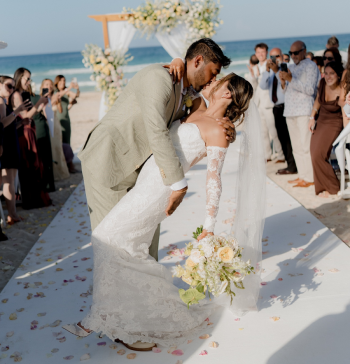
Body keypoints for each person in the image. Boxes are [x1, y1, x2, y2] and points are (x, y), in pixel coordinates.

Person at [64, 72, 264, 351]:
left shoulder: (218, 130)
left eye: (219, 81)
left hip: (159, 192)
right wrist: (179, 63)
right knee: (126, 247)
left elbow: (213, 181)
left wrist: (209, 225)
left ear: (227, 93)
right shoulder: (198, 108)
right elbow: (183, 86)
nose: (212, 82)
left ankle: (105, 319)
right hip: (145, 181)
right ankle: (122, 316)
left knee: (108, 237)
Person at [78, 39, 234, 263]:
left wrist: (225, 124)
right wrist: (178, 184)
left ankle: (144, 295)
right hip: (109, 161)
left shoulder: (188, 91)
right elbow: (157, 130)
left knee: (144, 240)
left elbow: (202, 118)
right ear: (198, 61)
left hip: (144, 173)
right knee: (112, 242)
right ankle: (119, 297)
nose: (215, 79)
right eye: (214, 72)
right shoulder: (159, 78)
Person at [279, 40, 320, 188]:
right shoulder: (290, 67)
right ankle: (302, 176)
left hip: (304, 110)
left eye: (296, 52)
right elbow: (286, 91)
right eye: (291, 53)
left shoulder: (311, 66)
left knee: (305, 145)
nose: (293, 55)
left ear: (304, 50)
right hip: (290, 110)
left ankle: (309, 177)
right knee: (296, 146)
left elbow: (310, 90)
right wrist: (284, 82)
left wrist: (291, 79)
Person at [11, 68, 52, 209]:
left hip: (29, 130)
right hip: (24, 132)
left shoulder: (23, 93)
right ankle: (31, 200)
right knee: (29, 165)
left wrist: (40, 106)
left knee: (34, 165)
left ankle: (35, 198)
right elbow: (26, 115)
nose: (29, 82)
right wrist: (39, 102)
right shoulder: (16, 94)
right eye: (26, 79)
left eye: (30, 79)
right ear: (19, 78)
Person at [309, 62, 345, 197]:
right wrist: (312, 117)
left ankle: (333, 187)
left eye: (332, 73)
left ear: (338, 75)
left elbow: (344, 109)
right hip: (321, 120)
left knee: (320, 154)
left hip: (334, 123)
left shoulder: (342, 88)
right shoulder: (322, 83)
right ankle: (322, 187)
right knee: (313, 154)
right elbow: (318, 99)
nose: (328, 76)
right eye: (326, 73)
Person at [260, 49, 297, 175]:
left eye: (277, 56)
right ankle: (289, 164)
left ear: (281, 56)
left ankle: (293, 165)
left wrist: (276, 71)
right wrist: (267, 70)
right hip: (276, 107)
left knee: (289, 138)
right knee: (281, 137)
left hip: (287, 106)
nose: (274, 58)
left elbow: (284, 87)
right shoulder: (270, 73)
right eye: (272, 56)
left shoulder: (286, 68)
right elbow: (262, 86)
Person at [0, 76, 30, 224]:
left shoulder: (4, 101)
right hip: (6, 145)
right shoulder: (0, 101)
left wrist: (19, 124)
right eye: (8, 86)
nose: (11, 90)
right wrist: (17, 111)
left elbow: (8, 127)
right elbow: (2, 124)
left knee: (9, 180)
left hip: (10, 142)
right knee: (8, 181)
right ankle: (12, 215)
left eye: (12, 87)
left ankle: (12, 214)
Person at [253, 43, 284, 162]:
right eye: (258, 52)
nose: (260, 54)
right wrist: (252, 76)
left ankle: (281, 155)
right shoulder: (255, 67)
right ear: (255, 54)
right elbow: (255, 87)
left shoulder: (271, 65)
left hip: (269, 103)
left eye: (263, 52)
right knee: (263, 132)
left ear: (266, 52)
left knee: (274, 131)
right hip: (259, 103)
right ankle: (267, 155)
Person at [40, 79, 70, 181]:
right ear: (42, 86)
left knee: (58, 147)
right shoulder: (42, 98)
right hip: (48, 125)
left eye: (51, 85)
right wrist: (52, 100)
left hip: (56, 124)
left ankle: (60, 172)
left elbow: (60, 110)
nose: (49, 86)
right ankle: (53, 174)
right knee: (51, 148)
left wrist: (58, 102)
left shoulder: (54, 96)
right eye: (46, 84)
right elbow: (43, 112)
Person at [32, 85, 55, 192]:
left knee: (45, 157)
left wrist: (44, 105)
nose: (29, 82)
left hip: (40, 127)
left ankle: (48, 185)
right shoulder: (22, 96)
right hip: (31, 128)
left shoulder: (38, 97)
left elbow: (47, 115)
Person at [53, 75, 80, 146]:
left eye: (64, 80)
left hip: (67, 118)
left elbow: (76, 96)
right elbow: (58, 96)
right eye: (61, 80)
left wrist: (77, 89)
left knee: (67, 140)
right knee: (60, 140)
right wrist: (69, 88)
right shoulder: (55, 92)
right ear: (57, 81)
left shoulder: (66, 91)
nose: (63, 82)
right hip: (58, 118)